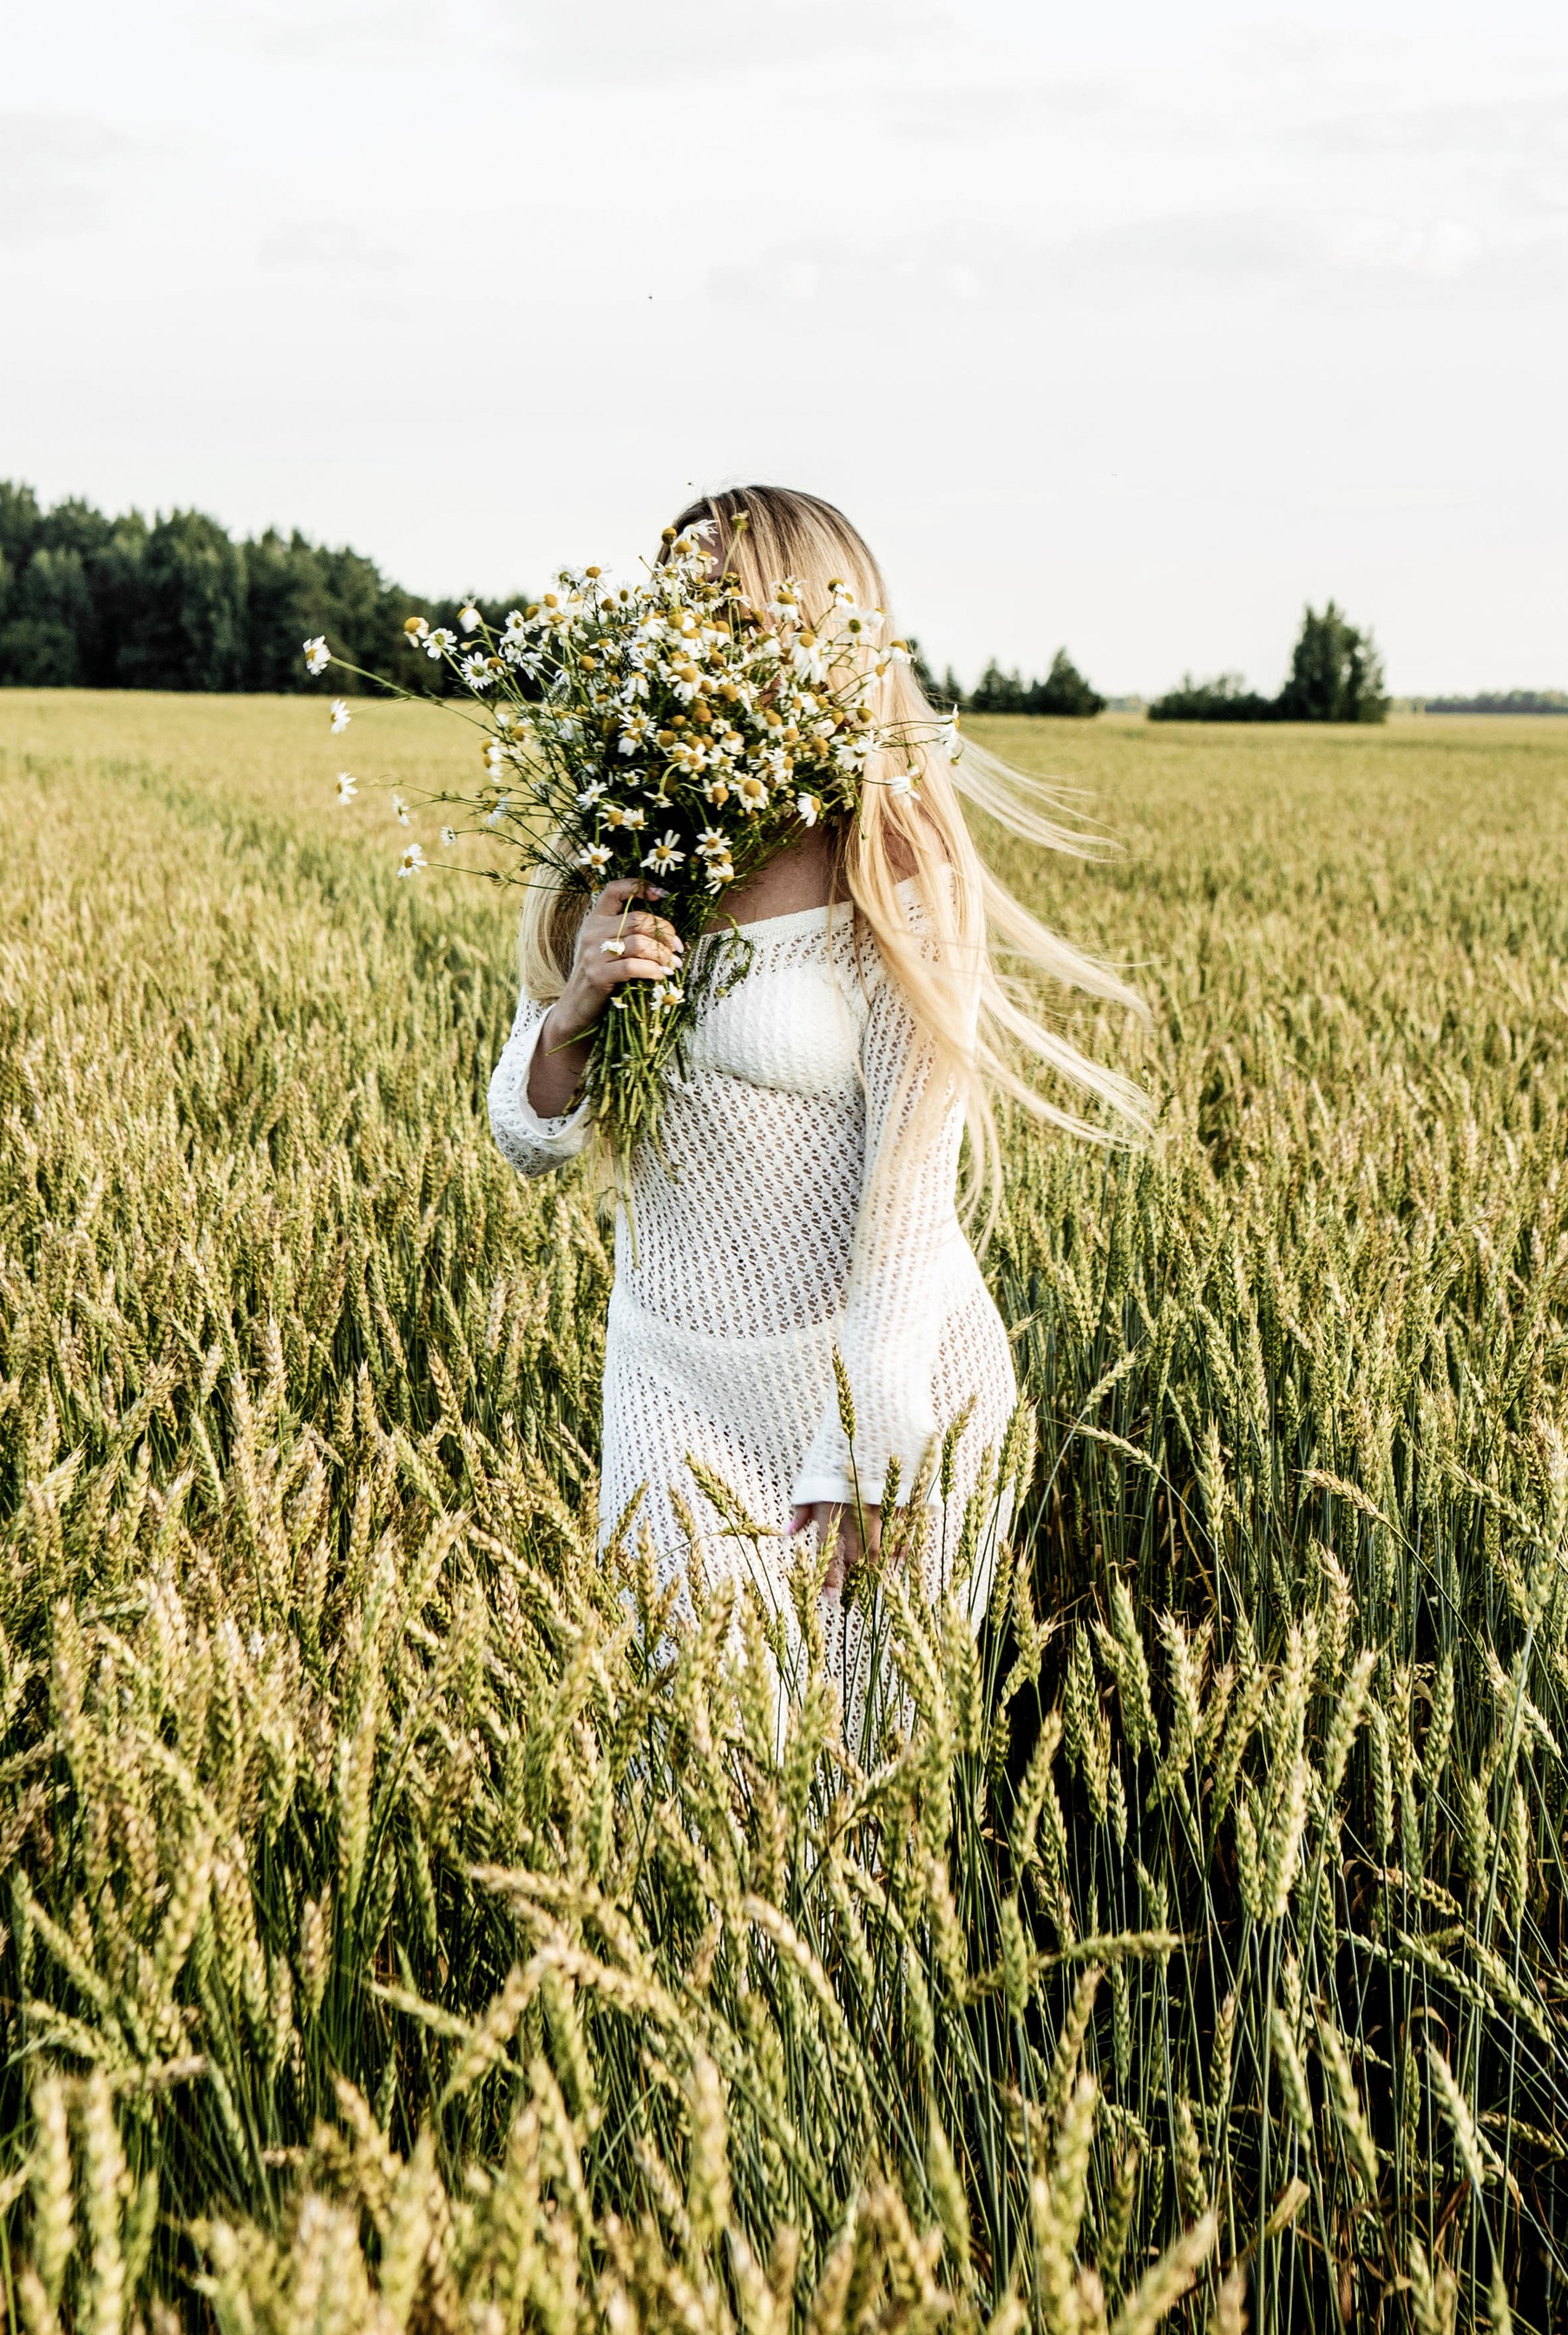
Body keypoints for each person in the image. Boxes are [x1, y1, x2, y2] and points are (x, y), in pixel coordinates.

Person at [485, 486, 1147, 1656]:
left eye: (706, 612)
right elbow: (528, 1136)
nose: (668, 638)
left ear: (798, 628)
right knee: (683, 1779)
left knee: (850, 1794)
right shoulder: (639, 831)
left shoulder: (895, 878)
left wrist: (871, 1452)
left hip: (869, 1392)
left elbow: (906, 1199)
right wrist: (577, 1008)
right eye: (661, 612)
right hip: (669, 1383)